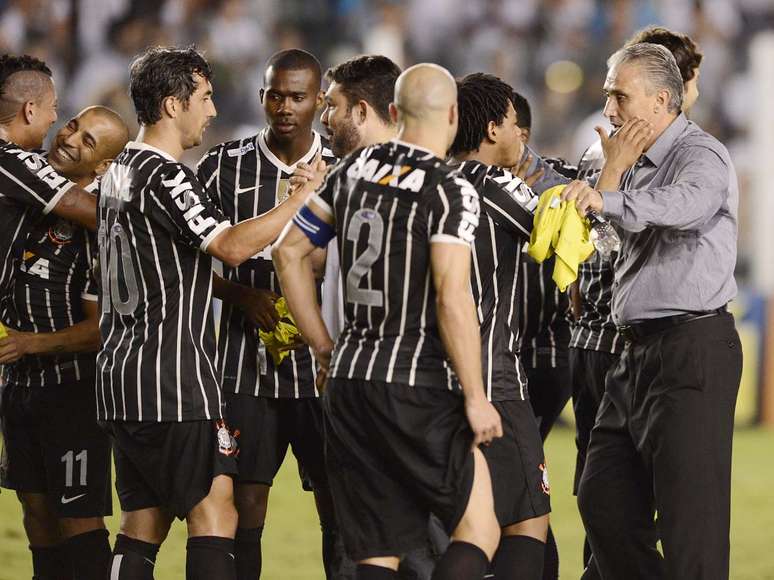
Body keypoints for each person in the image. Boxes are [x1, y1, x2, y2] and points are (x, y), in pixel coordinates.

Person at [273, 63, 503, 580]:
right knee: (480, 529)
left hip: (350, 382)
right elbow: (451, 296)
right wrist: (475, 394)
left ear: (395, 114)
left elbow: (288, 254)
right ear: (452, 115)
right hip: (416, 384)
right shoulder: (449, 187)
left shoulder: (350, 172)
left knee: (377, 552)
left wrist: (323, 347)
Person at [97, 46, 318, 580]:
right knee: (217, 513)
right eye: (204, 97)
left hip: (120, 374)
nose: (213, 110)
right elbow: (232, 247)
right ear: (173, 105)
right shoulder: (166, 175)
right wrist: (298, 200)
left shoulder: (119, 171)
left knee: (142, 522)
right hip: (170, 378)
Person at [564, 42, 741, 580]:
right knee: (602, 501)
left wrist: (608, 197)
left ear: (663, 99)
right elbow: (605, 244)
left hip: (692, 349)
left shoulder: (702, 154)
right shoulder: (624, 162)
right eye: (606, 96)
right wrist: (611, 178)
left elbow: (685, 206)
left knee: (693, 528)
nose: (609, 109)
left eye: (620, 96)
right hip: (633, 353)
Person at [195, 48, 341, 580]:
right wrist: (239, 296)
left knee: (336, 500)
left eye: (297, 97)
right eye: (275, 95)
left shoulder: (343, 169)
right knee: (246, 501)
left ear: (319, 101)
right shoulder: (222, 165)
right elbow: (189, 262)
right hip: (242, 367)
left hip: (321, 369)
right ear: (262, 96)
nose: (284, 106)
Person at [0, 105, 129, 580]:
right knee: (36, 518)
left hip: (71, 392)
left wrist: (30, 344)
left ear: (102, 167)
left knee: (77, 519)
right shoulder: (28, 196)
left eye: (89, 141)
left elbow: (104, 327)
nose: (70, 138)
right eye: (73, 125)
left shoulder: (100, 229)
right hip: (16, 386)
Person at [448, 72, 551, 580]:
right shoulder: (494, 187)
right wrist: (613, 174)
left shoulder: (429, 182)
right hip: (492, 380)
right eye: (513, 123)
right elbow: (575, 235)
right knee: (526, 523)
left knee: (465, 525)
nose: (519, 135)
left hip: (424, 382)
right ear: (492, 129)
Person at [0, 54, 106, 306]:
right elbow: (95, 212)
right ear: (30, 110)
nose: (53, 118)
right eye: (53, 107)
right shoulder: (12, 159)